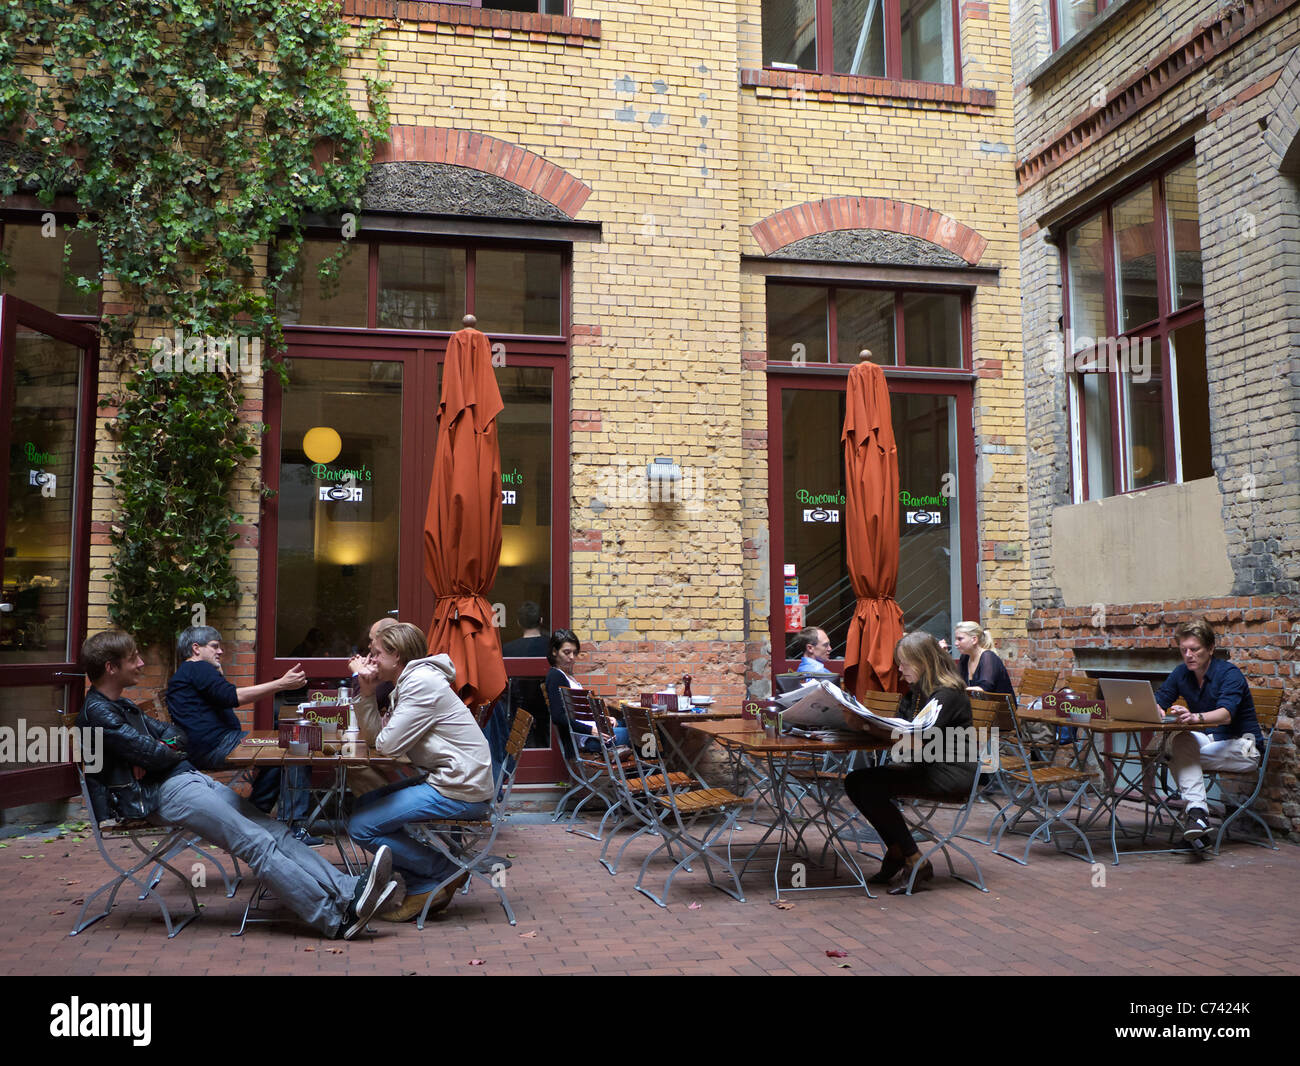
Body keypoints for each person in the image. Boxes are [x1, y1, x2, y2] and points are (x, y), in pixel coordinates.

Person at [77, 630, 396, 939]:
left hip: (182, 779)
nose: (142, 663)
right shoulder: (99, 713)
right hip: (159, 795)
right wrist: (165, 751)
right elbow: (155, 752)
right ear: (111, 667)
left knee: (275, 831)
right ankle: (334, 918)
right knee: (257, 842)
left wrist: (166, 750)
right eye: (133, 659)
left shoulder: (122, 705)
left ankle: (347, 891)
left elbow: (175, 737)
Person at [346, 622, 497, 922]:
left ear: (397, 656)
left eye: (376, 654)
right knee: (364, 805)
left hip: (461, 787)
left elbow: (386, 746)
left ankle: (442, 872)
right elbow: (378, 739)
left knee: (361, 826)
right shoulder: (410, 682)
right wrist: (366, 690)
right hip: (450, 778)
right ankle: (425, 881)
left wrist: (367, 688)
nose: (371, 660)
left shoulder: (420, 683)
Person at [841, 631, 977, 894]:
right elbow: (902, 732)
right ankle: (898, 849)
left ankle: (913, 859)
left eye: (904, 663)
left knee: (868, 785)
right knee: (857, 781)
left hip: (952, 772)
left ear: (923, 662)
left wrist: (868, 727)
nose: (899, 668)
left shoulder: (947, 695)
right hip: (927, 765)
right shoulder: (918, 693)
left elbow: (917, 739)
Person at [164, 626, 320, 845]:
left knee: (280, 750)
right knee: (295, 746)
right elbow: (232, 697)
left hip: (206, 746)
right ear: (196, 648)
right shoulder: (197, 668)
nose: (220, 652)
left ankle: (253, 816)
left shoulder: (190, 673)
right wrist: (281, 684)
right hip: (216, 746)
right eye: (215, 646)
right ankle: (291, 826)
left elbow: (221, 698)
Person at [1155, 619, 1263, 854]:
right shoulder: (1182, 673)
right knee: (1177, 744)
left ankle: (1196, 817)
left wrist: (1195, 718)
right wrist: (1155, 708)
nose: (1188, 655)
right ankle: (1198, 816)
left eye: (1194, 649)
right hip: (1212, 742)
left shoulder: (1229, 673)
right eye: (1183, 650)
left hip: (1244, 746)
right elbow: (1161, 698)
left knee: (1176, 757)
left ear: (1211, 648)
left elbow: (1225, 715)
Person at [544, 628, 628, 758]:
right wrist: (592, 731)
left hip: (595, 732)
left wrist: (602, 720)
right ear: (554, 652)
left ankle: (639, 773)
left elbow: (580, 714)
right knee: (641, 733)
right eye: (566, 652)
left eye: (574, 652)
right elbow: (558, 716)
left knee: (631, 724)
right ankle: (648, 773)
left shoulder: (567, 675)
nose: (572, 657)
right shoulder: (556, 676)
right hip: (589, 739)